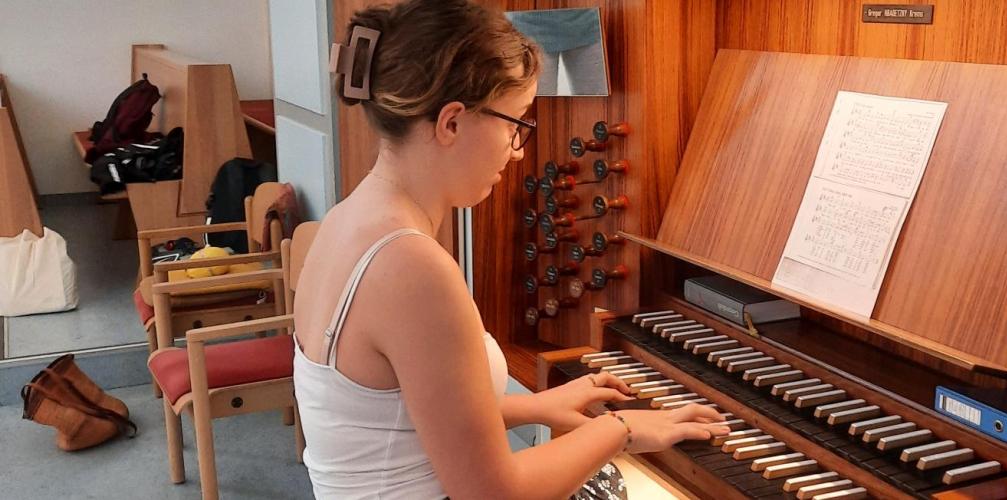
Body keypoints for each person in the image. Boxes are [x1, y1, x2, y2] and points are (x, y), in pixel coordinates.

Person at [292, 1, 730, 498]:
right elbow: (495, 493)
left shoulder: (345, 221)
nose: (518, 149)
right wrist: (623, 431)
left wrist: (535, 407)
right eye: (515, 123)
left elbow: (393, 415)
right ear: (451, 122)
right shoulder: (411, 266)